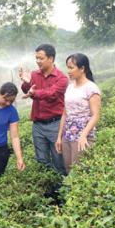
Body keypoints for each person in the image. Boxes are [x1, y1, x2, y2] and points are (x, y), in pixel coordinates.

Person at [19, 43, 69, 175]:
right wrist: (26, 83)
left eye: (41, 58)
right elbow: (28, 90)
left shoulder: (62, 78)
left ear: (51, 58)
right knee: (41, 160)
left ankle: (62, 191)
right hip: (38, 125)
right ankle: (47, 191)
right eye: (36, 58)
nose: (37, 61)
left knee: (59, 159)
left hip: (55, 124)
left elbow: (51, 94)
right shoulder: (35, 75)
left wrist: (33, 93)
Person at [55, 53, 101, 174]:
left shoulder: (91, 88)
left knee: (79, 170)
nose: (68, 71)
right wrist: (59, 137)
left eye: (71, 67)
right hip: (68, 133)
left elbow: (95, 115)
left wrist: (83, 135)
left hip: (83, 134)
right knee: (68, 169)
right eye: (67, 67)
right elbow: (65, 113)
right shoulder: (69, 88)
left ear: (82, 68)